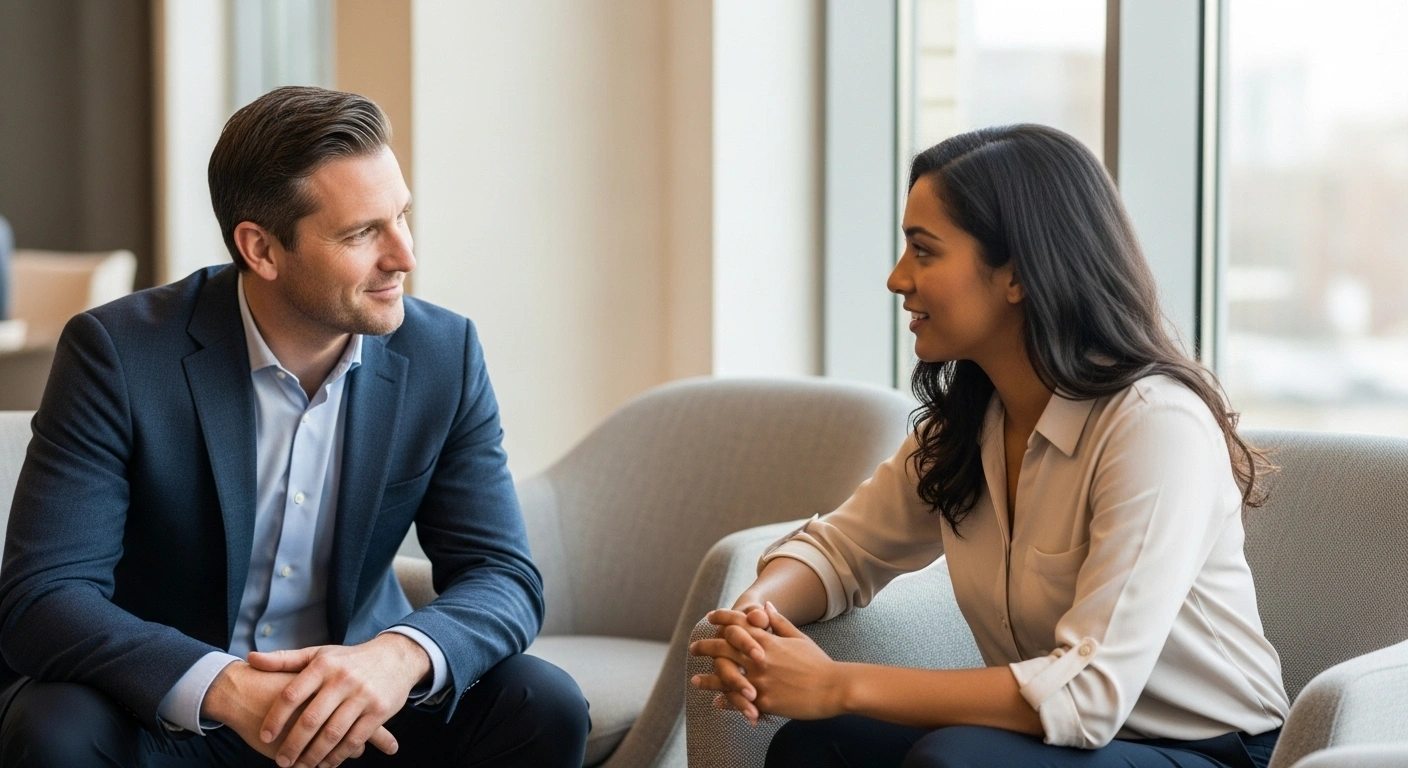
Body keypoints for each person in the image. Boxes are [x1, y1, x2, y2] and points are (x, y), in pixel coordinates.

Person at [0, 86, 590, 767]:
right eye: (363, 232)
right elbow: (44, 596)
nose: (403, 255)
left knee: (540, 701)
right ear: (261, 248)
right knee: (55, 731)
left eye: (402, 216)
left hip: (360, 706)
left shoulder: (443, 355)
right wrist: (221, 685)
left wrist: (396, 657)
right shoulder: (119, 353)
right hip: (172, 712)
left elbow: (503, 574)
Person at [689, 124, 1289, 768]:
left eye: (924, 251)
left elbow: (1087, 695)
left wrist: (837, 684)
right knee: (816, 745)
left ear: (1017, 274)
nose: (896, 279)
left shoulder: (1155, 426)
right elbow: (843, 551)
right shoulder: (969, 424)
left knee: (954, 760)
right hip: (1058, 742)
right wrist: (752, 618)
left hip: (1210, 753)